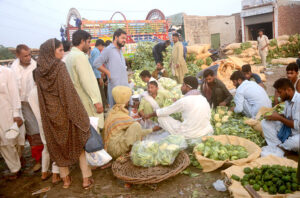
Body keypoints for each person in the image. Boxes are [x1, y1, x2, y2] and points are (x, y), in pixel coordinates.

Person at [34, 38, 93, 189]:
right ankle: (86, 179)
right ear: (51, 52)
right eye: (60, 50)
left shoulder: (38, 72)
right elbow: (68, 94)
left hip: (50, 115)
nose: (62, 53)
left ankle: (66, 179)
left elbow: (40, 96)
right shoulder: (59, 67)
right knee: (78, 143)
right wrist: (80, 115)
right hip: (65, 113)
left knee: (58, 146)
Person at [144, 76, 213, 139]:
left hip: (190, 134)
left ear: (187, 87)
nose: (181, 87)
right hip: (205, 131)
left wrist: (150, 115)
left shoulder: (184, 100)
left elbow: (165, 111)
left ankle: (180, 136)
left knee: (161, 118)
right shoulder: (203, 98)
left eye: (183, 85)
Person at [103, 86, 161, 159]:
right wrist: (152, 130)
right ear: (126, 100)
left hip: (109, 149)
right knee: (136, 126)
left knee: (134, 125)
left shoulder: (113, 111)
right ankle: (131, 153)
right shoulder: (122, 116)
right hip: (116, 150)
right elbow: (138, 131)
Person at [11, 44, 43, 172]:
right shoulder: (12, 69)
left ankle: (39, 160)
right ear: (18, 56)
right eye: (25, 56)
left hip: (32, 103)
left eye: (29, 55)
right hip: (17, 104)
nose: (29, 57)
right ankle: (18, 160)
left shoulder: (35, 66)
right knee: (18, 135)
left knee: (35, 132)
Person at [65, 30, 104, 130]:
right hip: (88, 101)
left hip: (79, 100)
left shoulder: (70, 56)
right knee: (94, 131)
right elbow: (86, 81)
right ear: (82, 41)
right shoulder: (79, 57)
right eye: (88, 42)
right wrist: (96, 102)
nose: (89, 45)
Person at [262, 78, 300, 152]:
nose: (278, 95)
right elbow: (287, 117)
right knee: (265, 122)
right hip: (289, 130)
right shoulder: (287, 100)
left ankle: (282, 148)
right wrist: (274, 116)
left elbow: (297, 125)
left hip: (297, 133)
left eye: (280, 92)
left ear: (288, 90)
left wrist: (279, 118)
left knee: (296, 142)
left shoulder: (299, 101)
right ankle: (277, 145)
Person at [0, 66, 25, 180]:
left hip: (8, 113)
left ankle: (18, 161)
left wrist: (16, 114)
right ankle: (15, 168)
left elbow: (15, 94)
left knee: (13, 140)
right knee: (3, 144)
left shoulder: (7, 72)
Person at [94, 29, 129, 107]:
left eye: (125, 39)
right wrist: (108, 73)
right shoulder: (108, 50)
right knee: (116, 113)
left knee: (125, 114)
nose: (124, 40)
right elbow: (96, 63)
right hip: (115, 87)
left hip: (124, 88)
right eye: (123, 38)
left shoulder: (119, 50)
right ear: (116, 37)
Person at [89, 39, 107, 110]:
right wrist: (100, 78)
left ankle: (103, 107)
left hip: (95, 75)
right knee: (100, 92)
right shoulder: (96, 52)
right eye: (102, 47)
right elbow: (97, 65)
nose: (102, 49)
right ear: (100, 45)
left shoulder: (94, 51)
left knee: (100, 92)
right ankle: (103, 108)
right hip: (96, 76)